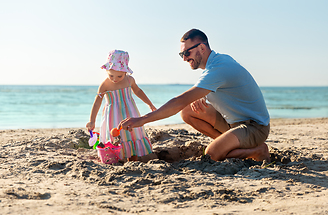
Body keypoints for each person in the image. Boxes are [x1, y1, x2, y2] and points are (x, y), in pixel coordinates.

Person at [118, 29, 271, 162]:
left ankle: (257, 151)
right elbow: (226, 90)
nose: (184, 58)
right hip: (233, 123)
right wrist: (202, 97)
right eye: (181, 54)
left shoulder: (218, 68)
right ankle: (225, 144)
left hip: (254, 127)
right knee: (187, 111)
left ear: (202, 48)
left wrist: (142, 120)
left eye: (187, 53)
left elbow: (179, 101)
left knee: (210, 155)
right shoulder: (217, 63)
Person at [86, 50, 157, 161]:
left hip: (130, 112)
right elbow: (97, 103)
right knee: (116, 136)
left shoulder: (129, 80)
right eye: (111, 75)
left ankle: (133, 159)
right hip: (113, 115)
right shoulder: (105, 85)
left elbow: (138, 92)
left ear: (125, 72)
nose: (114, 79)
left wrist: (150, 104)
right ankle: (115, 157)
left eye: (119, 76)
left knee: (132, 134)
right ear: (107, 71)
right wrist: (92, 120)